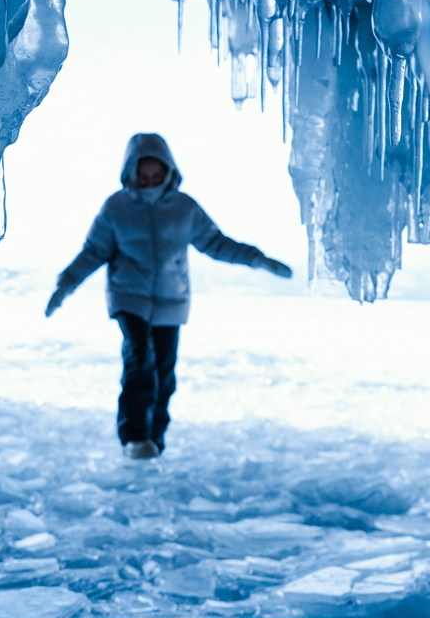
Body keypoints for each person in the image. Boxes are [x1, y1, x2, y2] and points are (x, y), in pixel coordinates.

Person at [45, 132, 293, 458]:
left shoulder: (184, 208)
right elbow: (93, 251)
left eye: (155, 173)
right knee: (140, 362)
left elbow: (216, 243)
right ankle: (134, 437)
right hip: (128, 297)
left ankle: (155, 439)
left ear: (168, 170)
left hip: (171, 301)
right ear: (131, 172)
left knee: (164, 372)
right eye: (143, 174)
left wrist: (257, 258)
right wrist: (66, 284)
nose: (149, 180)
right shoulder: (116, 208)